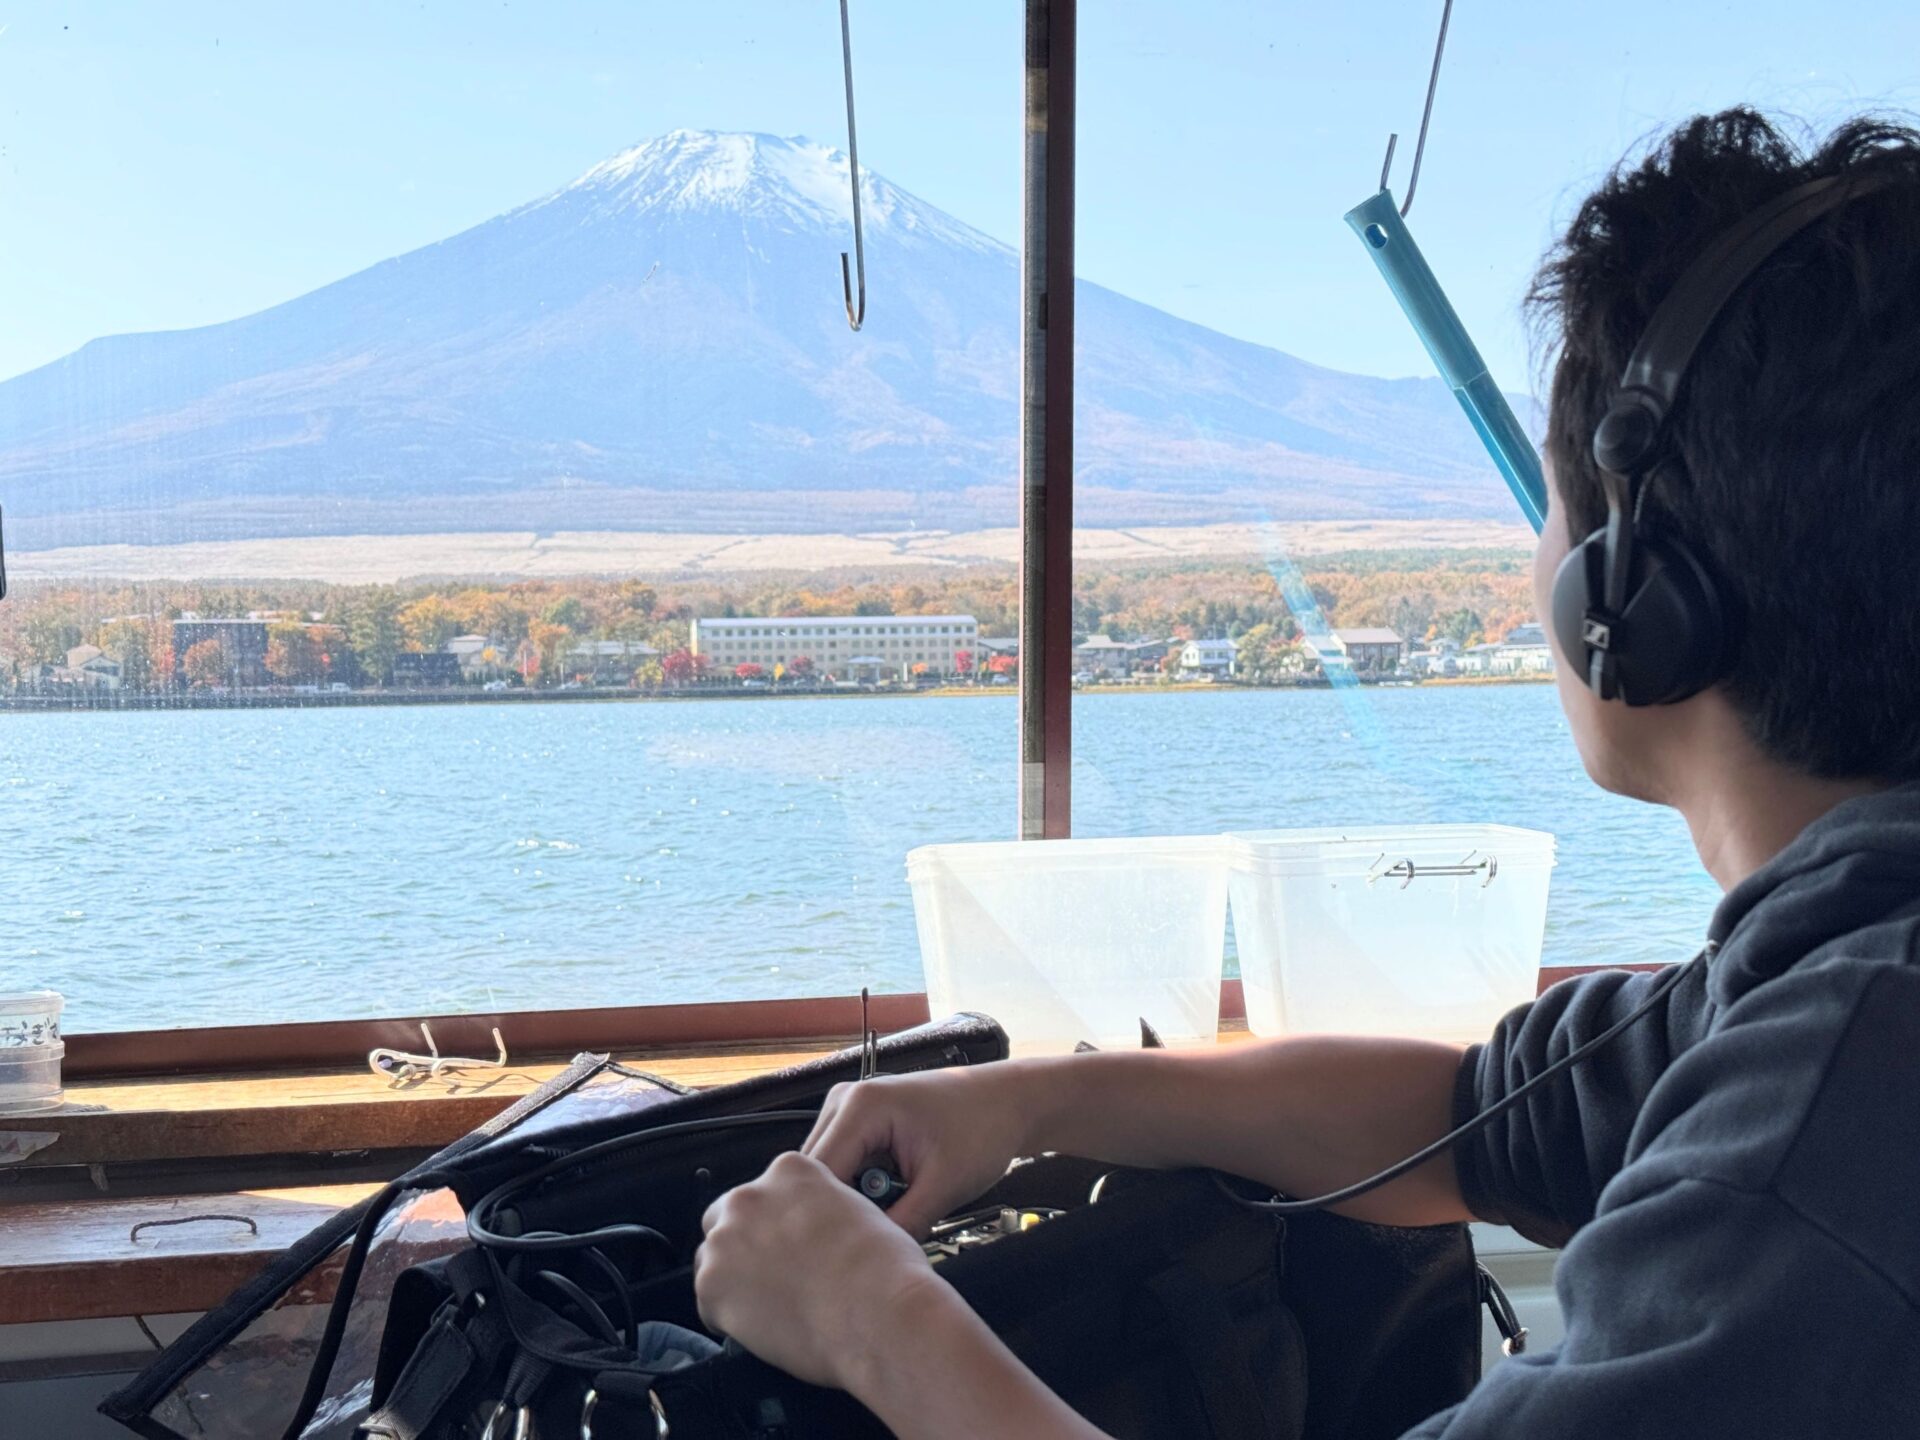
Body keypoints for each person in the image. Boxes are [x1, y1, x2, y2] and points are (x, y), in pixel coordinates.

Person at [693, 109, 1920, 1437]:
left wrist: (874, 1322)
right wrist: (1028, 1100)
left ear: (1629, 601)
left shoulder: (1823, 1130)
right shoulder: (1838, 976)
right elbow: (1478, 1114)